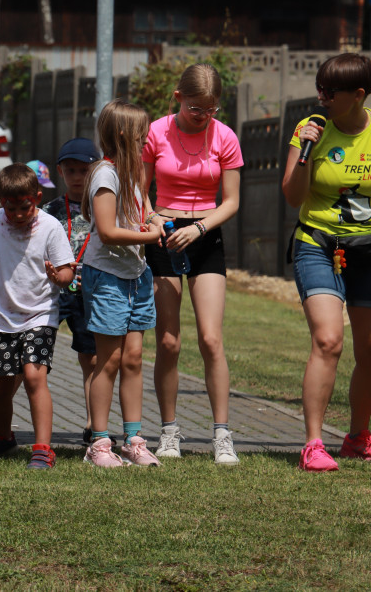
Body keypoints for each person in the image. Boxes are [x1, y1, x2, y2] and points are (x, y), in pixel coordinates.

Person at [281, 53, 371, 472]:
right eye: (320, 88)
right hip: (319, 245)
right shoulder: (309, 130)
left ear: (358, 94)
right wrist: (307, 151)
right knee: (328, 340)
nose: (322, 98)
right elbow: (292, 196)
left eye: (330, 92)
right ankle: (314, 444)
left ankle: (357, 437)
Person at [142, 63, 244, 465]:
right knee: (168, 341)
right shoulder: (156, 131)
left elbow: (232, 201)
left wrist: (200, 228)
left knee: (211, 339)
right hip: (163, 232)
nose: (203, 116)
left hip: (205, 234)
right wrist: (151, 216)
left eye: (210, 109)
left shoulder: (225, 137)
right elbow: (138, 184)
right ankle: (169, 431)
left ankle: (222, 434)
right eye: (195, 109)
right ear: (178, 97)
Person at [80, 100, 163, 468]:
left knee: (133, 358)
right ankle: (99, 443)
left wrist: (155, 219)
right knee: (109, 360)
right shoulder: (105, 174)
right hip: (108, 277)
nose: (148, 139)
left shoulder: (132, 173)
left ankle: (133, 439)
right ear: (126, 135)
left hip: (136, 275)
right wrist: (152, 237)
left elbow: (144, 208)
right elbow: (109, 231)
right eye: (143, 133)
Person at [0, 163, 74, 469]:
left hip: (41, 314)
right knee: (0, 385)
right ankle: (3, 437)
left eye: (25, 207)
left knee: (33, 375)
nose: (18, 214)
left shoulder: (50, 227)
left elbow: (68, 271)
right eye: (11, 208)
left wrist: (58, 277)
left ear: (37, 198)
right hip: (5, 316)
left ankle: (43, 448)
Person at [39, 139, 102, 444]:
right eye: (71, 170)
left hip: (89, 291)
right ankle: (2, 421)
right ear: (60, 172)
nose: (78, 177)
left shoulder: (103, 206)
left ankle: (94, 424)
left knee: (91, 358)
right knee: (34, 354)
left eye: (85, 170)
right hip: (53, 290)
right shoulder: (48, 210)